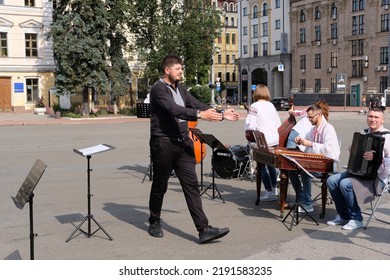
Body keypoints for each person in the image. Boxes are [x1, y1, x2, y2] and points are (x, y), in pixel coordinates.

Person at [148, 55, 240, 244]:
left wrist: (221, 113)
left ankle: (203, 229)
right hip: (163, 144)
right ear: (167, 70)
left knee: (191, 187)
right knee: (160, 186)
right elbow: (172, 109)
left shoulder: (181, 88)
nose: (181, 71)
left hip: (183, 144)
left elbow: (196, 104)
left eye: (181, 69)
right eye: (178, 69)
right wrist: (200, 115)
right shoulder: (158, 89)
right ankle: (154, 220)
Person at [326, 107, 390, 230]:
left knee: (345, 184)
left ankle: (356, 219)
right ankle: (344, 215)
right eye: (370, 116)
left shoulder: (388, 137)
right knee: (331, 180)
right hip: (359, 173)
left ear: (383, 120)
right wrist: (355, 151)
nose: (372, 119)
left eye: (376, 117)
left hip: (377, 178)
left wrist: (376, 158)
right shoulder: (364, 132)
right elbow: (360, 157)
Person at [288, 103, 340, 213]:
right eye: (308, 117)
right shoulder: (313, 130)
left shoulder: (328, 128)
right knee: (291, 169)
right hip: (317, 162)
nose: (309, 120)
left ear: (319, 115)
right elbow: (306, 143)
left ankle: (307, 204)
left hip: (329, 164)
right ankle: (302, 199)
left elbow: (329, 150)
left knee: (304, 170)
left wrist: (310, 144)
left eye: (311, 117)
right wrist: (300, 140)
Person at [244, 84, 281, 201]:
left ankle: (269, 192)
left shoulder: (254, 106)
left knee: (261, 166)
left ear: (256, 93)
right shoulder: (271, 106)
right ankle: (275, 188)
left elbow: (250, 125)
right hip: (274, 139)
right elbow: (278, 124)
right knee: (271, 165)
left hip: (262, 140)